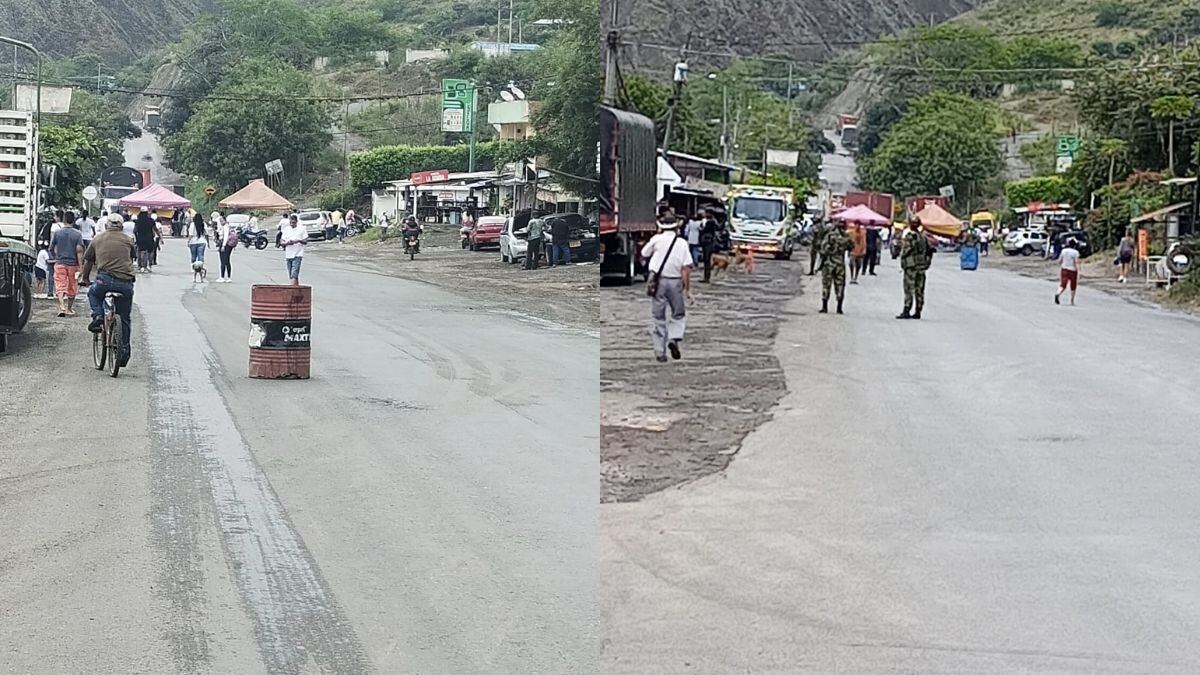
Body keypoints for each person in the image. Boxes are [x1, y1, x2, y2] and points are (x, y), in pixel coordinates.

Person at [81, 214, 136, 367]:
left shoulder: (97, 239)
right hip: (125, 283)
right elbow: (133, 257)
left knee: (93, 293)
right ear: (121, 226)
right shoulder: (128, 239)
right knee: (124, 317)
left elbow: (88, 261)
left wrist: (84, 279)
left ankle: (98, 316)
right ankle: (124, 350)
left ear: (106, 225)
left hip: (103, 281)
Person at [640, 215, 694, 362]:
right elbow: (686, 268)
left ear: (661, 227)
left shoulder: (656, 239)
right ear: (677, 227)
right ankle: (674, 338)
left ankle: (660, 352)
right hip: (675, 281)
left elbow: (644, 253)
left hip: (657, 282)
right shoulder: (682, 243)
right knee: (678, 314)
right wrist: (688, 290)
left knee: (658, 317)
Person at [897, 218, 934, 320]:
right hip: (921, 266)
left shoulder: (910, 236)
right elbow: (930, 250)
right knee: (919, 289)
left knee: (909, 288)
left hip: (911, 266)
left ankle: (906, 310)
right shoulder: (923, 237)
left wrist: (902, 259)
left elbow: (905, 251)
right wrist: (927, 263)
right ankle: (918, 311)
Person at [50, 212, 85, 317]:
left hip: (60, 263)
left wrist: (56, 256)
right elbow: (79, 251)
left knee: (60, 284)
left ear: (64, 220)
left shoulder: (57, 233)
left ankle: (62, 306)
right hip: (73, 265)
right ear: (73, 220)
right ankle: (69, 308)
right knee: (72, 285)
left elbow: (51, 248)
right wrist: (81, 267)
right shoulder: (77, 234)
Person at [818, 218, 854, 315]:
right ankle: (839, 308)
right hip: (840, 264)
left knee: (826, 285)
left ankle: (824, 307)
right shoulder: (846, 237)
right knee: (840, 285)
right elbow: (851, 247)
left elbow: (823, 250)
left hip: (828, 263)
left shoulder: (829, 235)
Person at [281, 213, 308, 285]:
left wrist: (298, 241)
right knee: (291, 276)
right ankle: (296, 290)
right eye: (290, 222)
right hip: (288, 254)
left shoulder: (302, 229)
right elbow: (282, 242)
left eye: (293, 222)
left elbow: (305, 241)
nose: (292, 224)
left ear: (296, 221)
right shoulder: (286, 229)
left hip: (297, 254)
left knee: (294, 274)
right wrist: (287, 243)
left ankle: (291, 290)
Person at [1055, 237, 1081, 305]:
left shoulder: (1063, 251)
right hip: (1072, 270)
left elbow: (1059, 260)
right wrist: (1079, 271)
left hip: (1064, 269)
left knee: (1063, 284)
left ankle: (1058, 293)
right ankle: (1072, 301)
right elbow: (1076, 262)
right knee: (1073, 285)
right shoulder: (1076, 252)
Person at [699, 210, 719, 282]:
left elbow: (703, 230)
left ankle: (707, 277)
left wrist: (702, 226)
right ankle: (706, 276)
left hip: (707, 242)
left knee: (707, 260)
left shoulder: (710, 223)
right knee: (707, 260)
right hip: (709, 242)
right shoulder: (714, 222)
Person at [217, 214, 238, 283]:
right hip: (228, 245)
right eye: (220, 221)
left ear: (225, 220)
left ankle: (222, 277)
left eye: (222, 220)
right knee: (227, 261)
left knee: (223, 261)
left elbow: (225, 236)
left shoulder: (225, 227)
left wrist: (223, 245)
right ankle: (228, 277)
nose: (221, 222)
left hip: (225, 244)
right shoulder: (226, 226)